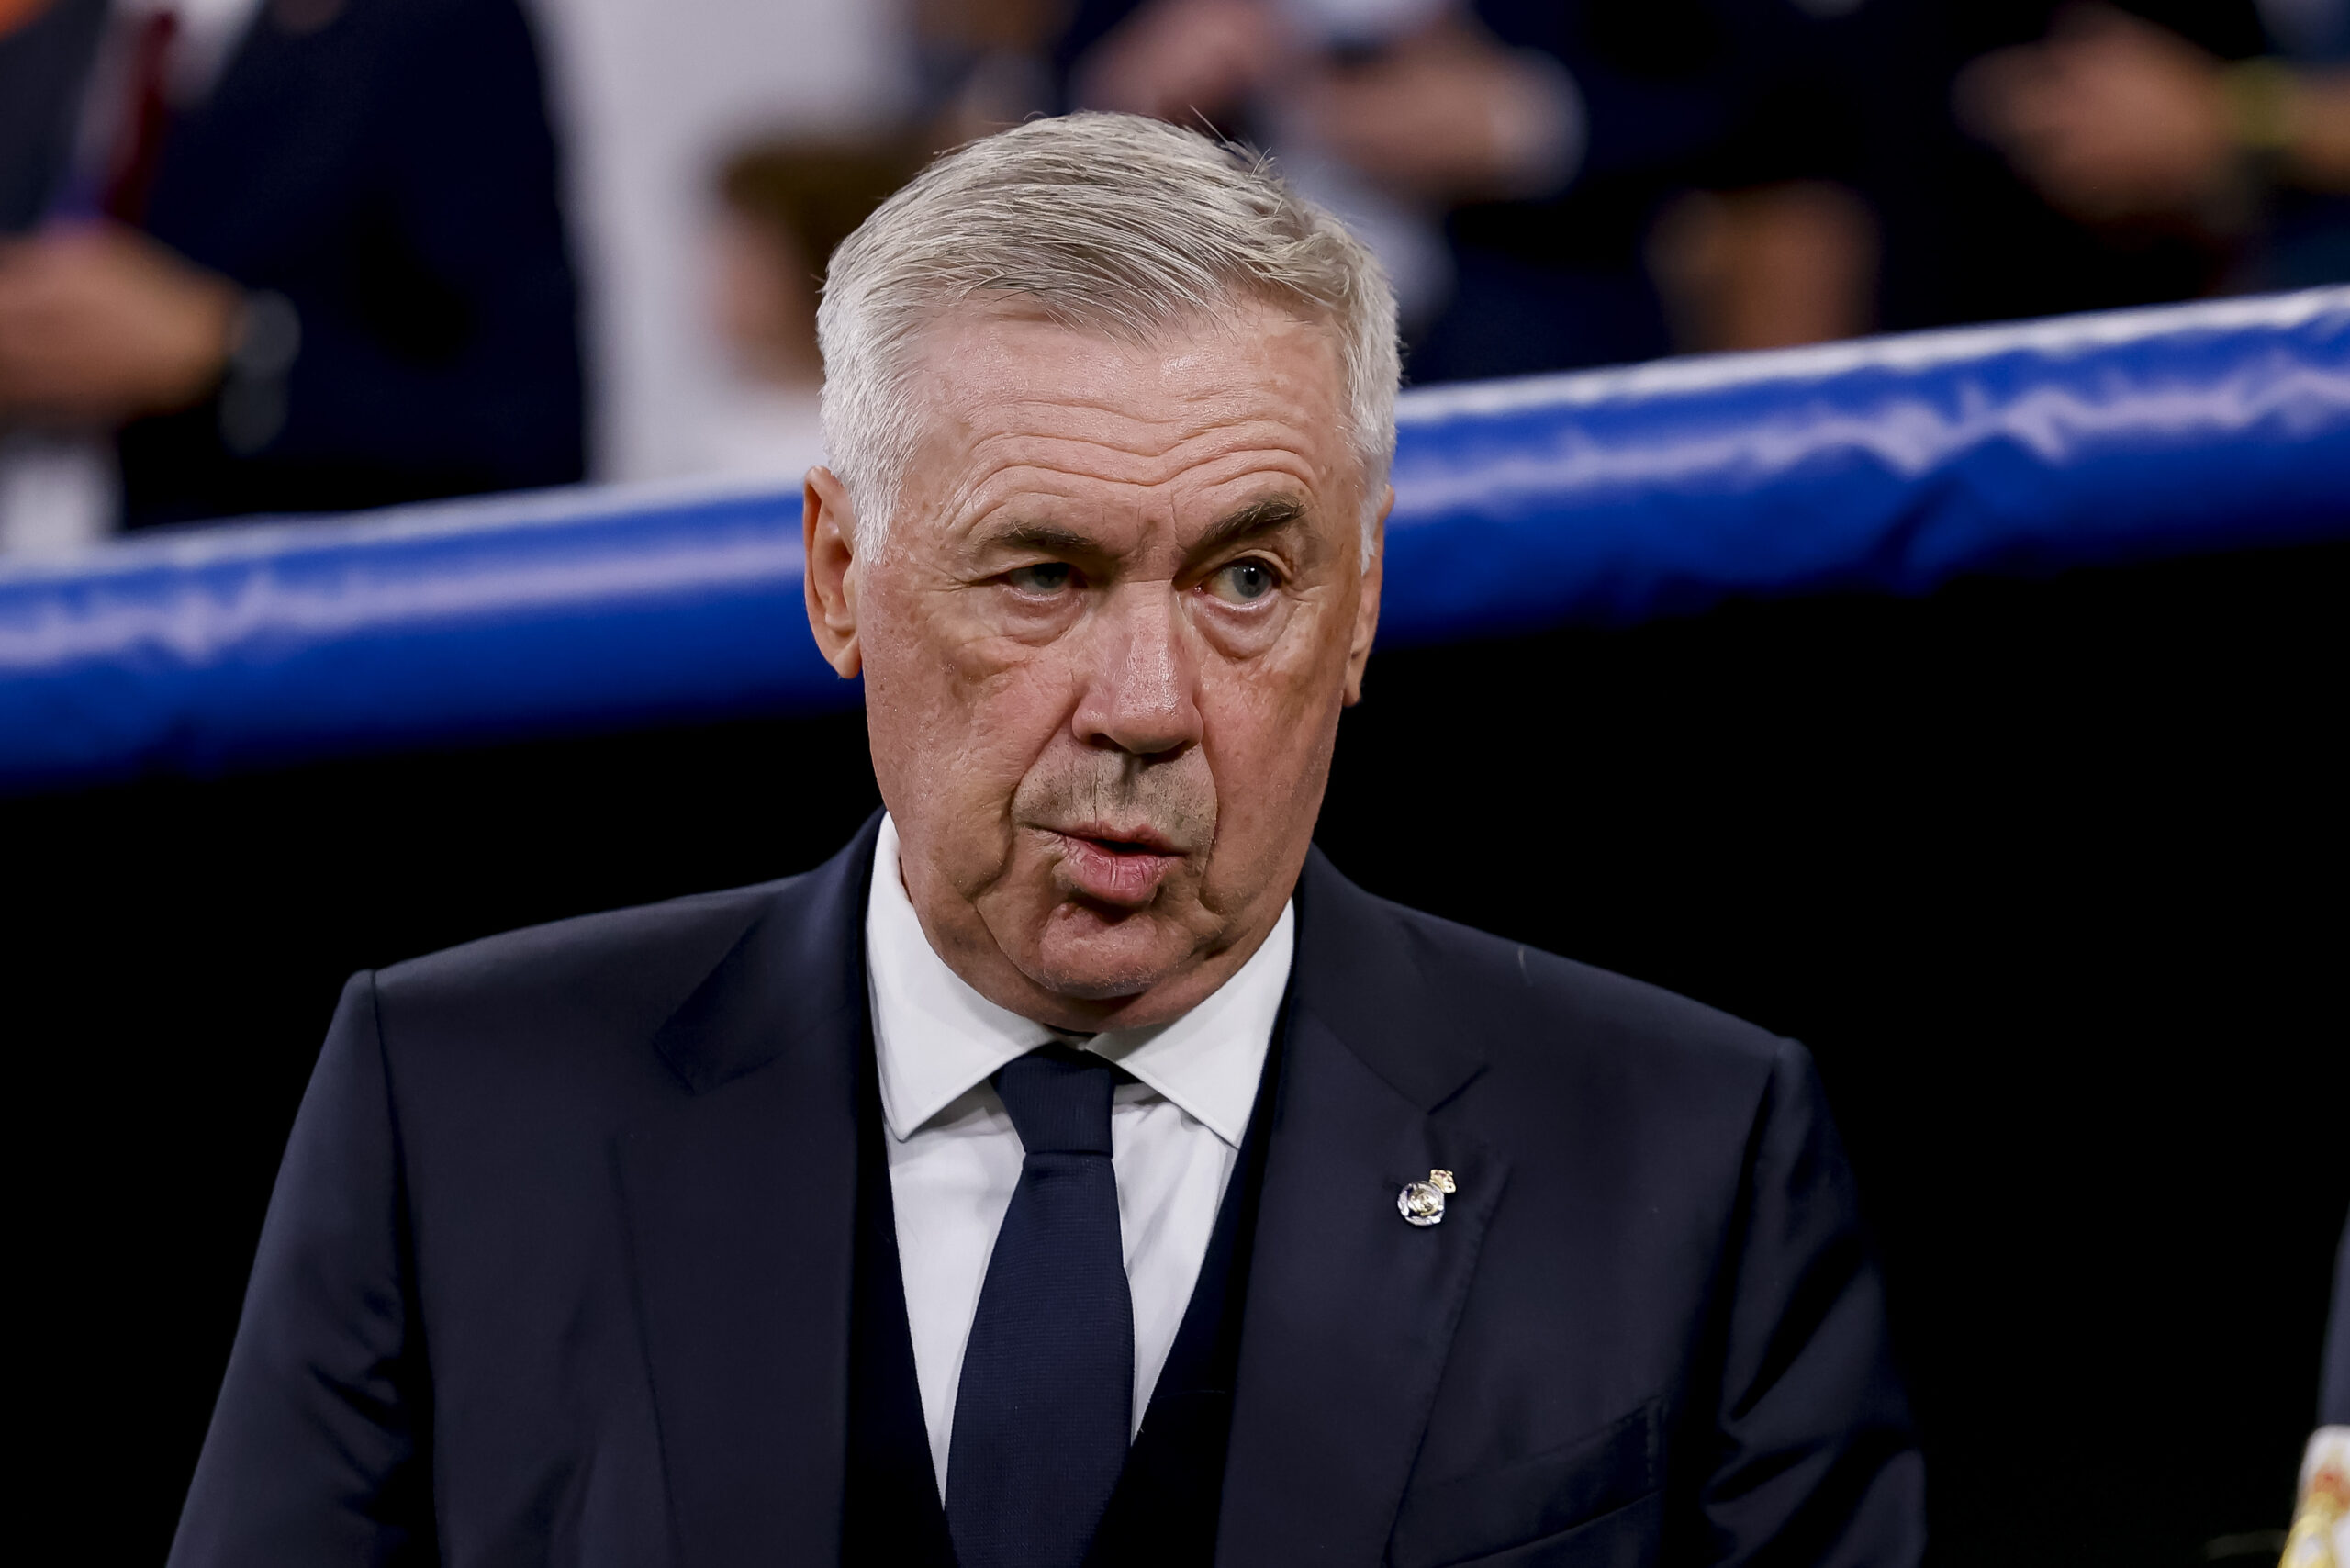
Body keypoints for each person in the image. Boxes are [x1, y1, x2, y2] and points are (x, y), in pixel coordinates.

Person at [168, 114, 1924, 1567]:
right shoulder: (453, 1111)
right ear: (840, 577)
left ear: (1364, 601)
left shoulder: (1689, 1156)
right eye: (1043, 574)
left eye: (1249, 576)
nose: (1148, 701)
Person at [0, 0, 584, 543]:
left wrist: (239, 357)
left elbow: (530, 433)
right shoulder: (45, 41)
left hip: (271, 612)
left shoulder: (429, 28)